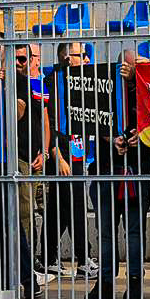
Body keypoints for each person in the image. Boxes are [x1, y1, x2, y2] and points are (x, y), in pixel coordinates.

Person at [53, 43, 144, 299]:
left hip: (138, 171)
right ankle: (105, 282)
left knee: (135, 231)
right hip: (106, 170)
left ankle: (135, 284)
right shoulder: (103, 87)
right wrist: (110, 138)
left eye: (135, 65)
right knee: (105, 231)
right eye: (126, 65)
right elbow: (92, 119)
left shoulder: (147, 92)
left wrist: (142, 135)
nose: (130, 69)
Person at [42, 43, 97, 282]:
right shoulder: (54, 82)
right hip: (61, 152)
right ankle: (84, 258)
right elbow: (49, 122)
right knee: (73, 203)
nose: (86, 59)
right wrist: (58, 155)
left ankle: (48, 257)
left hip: (76, 149)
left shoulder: (81, 81)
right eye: (80, 55)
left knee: (59, 205)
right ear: (66, 57)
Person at [7, 44, 49, 297]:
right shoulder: (8, 83)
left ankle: (27, 268)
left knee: (25, 214)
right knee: (18, 216)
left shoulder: (37, 86)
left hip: (31, 158)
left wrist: (43, 153)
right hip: (15, 157)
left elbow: (44, 120)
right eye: (17, 58)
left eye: (24, 57)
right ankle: (22, 271)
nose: (20, 62)